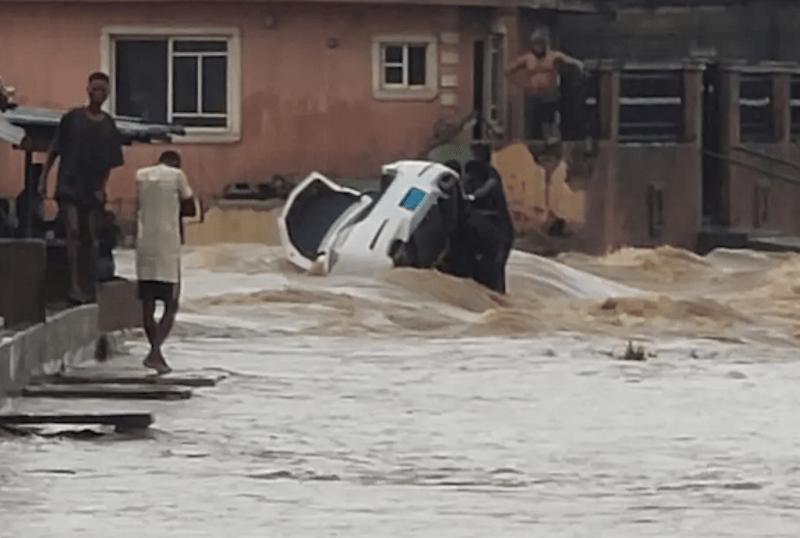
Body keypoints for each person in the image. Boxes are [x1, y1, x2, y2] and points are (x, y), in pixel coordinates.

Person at [38, 72, 125, 305]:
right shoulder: (72, 119)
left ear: (107, 94)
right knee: (72, 231)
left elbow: (110, 162)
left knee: (90, 236)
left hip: (92, 189)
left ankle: (87, 284)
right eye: (95, 88)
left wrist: (101, 188)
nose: (99, 93)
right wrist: (43, 179)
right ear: (88, 90)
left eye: (103, 89)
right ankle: (74, 285)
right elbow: (54, 150)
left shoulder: (108, 125)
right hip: (69, 185)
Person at [135, 150, 194, 374]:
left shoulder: (140, 176)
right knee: (171, 303)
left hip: (145, 244)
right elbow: (190, 208)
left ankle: (155, 353)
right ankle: (155, 351)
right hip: (168, 245)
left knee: (148, 303)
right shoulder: (177, 176)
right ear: (175, 164)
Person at [506, 29, 584, 142]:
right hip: (535, 95)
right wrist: (520, 84)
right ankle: (534, 143)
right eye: (537, 44)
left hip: (550, 95)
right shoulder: (527, 58)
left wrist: (578, 65)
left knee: (551, 121)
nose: (540, 47)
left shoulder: (553, 56)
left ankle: (553, 139)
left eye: (542, 44)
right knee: (534, 124)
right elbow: (509, 70)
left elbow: (569, 60)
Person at [461, 143, 514, 293]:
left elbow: (489, 187)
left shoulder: (489, 175)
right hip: (492, 232)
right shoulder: (476, 176)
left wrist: (473, 196)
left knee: (494, 274)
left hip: (496, 231)